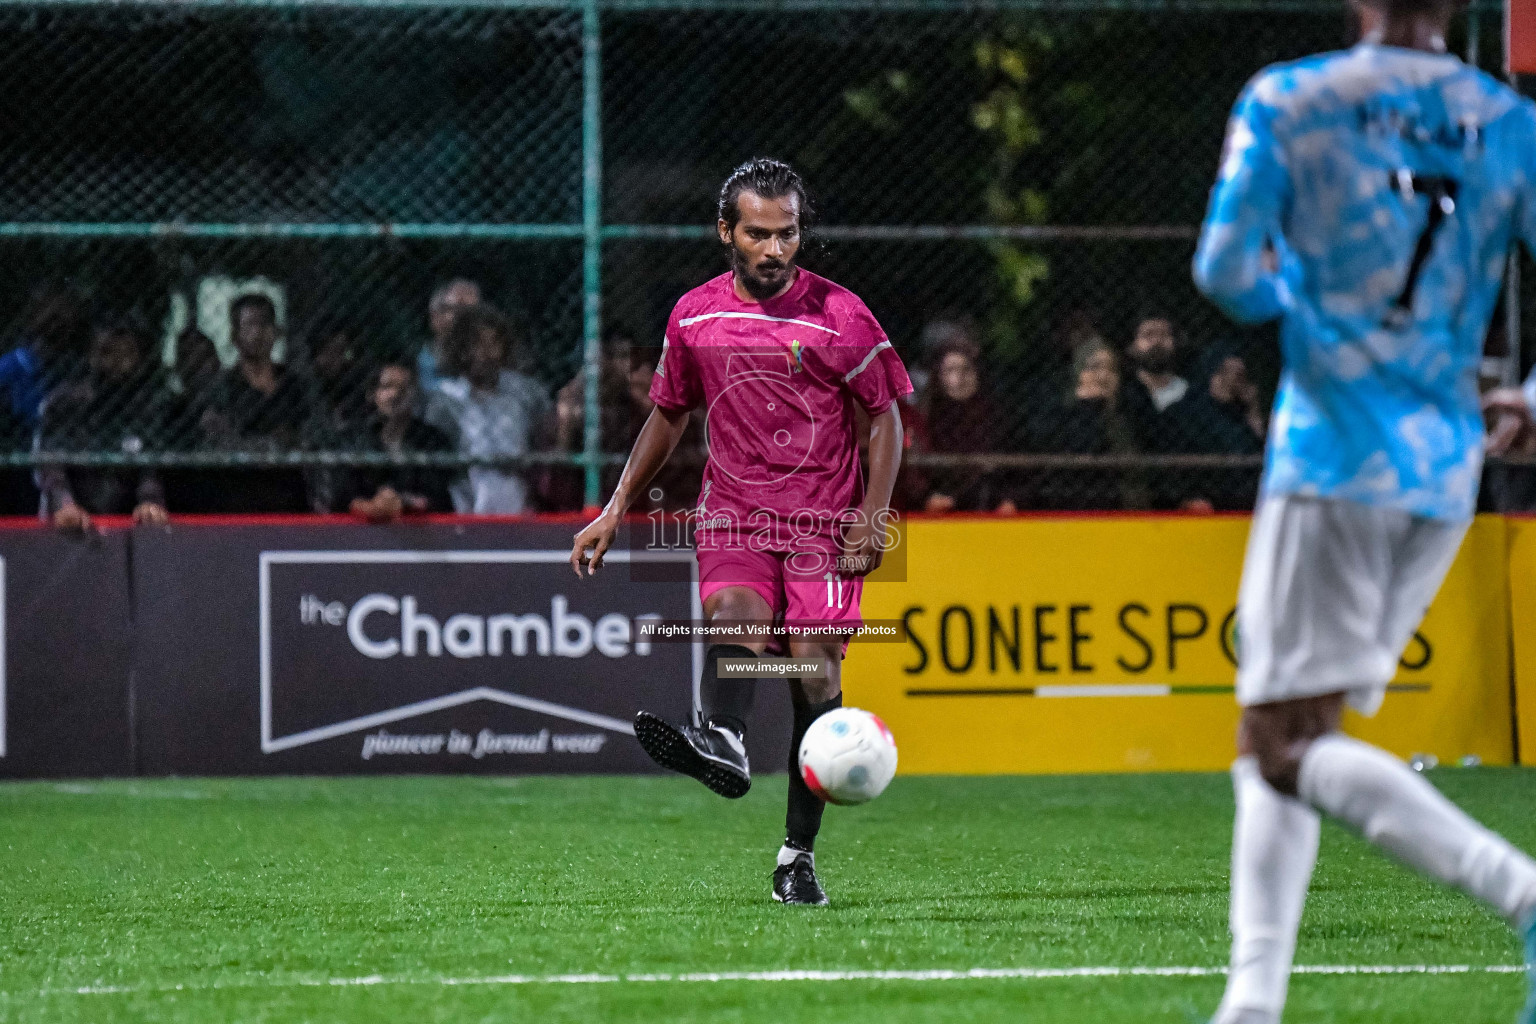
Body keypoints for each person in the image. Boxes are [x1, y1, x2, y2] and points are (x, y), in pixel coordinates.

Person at [1192, 2, 1536, 1021]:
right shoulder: (1509, 121)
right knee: (1290, 725)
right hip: (1445, 459)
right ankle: (1251, 1005)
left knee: (1283, 739)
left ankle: (1521, 892)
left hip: (1335, 448)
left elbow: (1222, 270)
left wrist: (1303, 305)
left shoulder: (1294, 97)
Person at [568, 158, 911, 906]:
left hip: (824, 519)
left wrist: (875, 512)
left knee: (813, 673)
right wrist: (616, 505)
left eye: (786, 234)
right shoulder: (693, 315)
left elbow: (884, 418)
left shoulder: (843, 315)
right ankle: (721, 738)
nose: (774, 249)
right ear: (726, 231)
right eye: (757, 233)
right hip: (734, 512)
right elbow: (669, 412)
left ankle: (797, 855)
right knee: (735, 618)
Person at [201, 293, 328, 512]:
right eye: (248, 325)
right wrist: (273, 446)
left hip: (291, 495)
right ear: (234, 335)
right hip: (238, 497)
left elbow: (316, 433)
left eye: (264, 324)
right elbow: (217, 442)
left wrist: (294, 444)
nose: (257, 333)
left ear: (276, 332)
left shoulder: (296, 385)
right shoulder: (222, 387)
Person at [37, 321, 169, 531]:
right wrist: (65, 505)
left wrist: (149, 502)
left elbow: (150, 468)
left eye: (126, 355)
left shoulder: (146, 406)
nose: (117, 362)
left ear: (137, 358)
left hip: (126, 517)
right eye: (107, 352)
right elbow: (51, 464)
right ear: (92, 355)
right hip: (73, 513)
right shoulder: (64, 403)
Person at [424, 303, 550, 515]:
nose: (487, 354)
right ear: (462, 350)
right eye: (477, 345)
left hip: (520, 502)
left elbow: (544, 437)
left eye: (493, 344)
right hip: (466, 504)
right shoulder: (445, 399)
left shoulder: (525, 392)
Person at [337, 362, 454, 521]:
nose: (395, 394)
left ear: (414, 395)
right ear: (373, 394)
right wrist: (369, 506)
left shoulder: (432, 439)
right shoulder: (355, 438)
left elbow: (437, 494)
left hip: (421, 528)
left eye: (403, 388)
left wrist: (403, 502)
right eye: (387, 387)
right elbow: (343, 493)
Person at [913, 335, 1010, 513]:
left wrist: (1008, 499)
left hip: (987, 503)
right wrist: (927, 497)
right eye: (951, 370)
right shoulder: (926, 418)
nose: (960, 377)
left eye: (967, 369)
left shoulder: (994, 416)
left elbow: (1009, 470)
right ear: (939, 376)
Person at [418, 279, 481, 395]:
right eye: (458, 309)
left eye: (472, 311)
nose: (465, 317)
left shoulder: (489, 349)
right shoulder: (428, 358)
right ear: (435, 316)